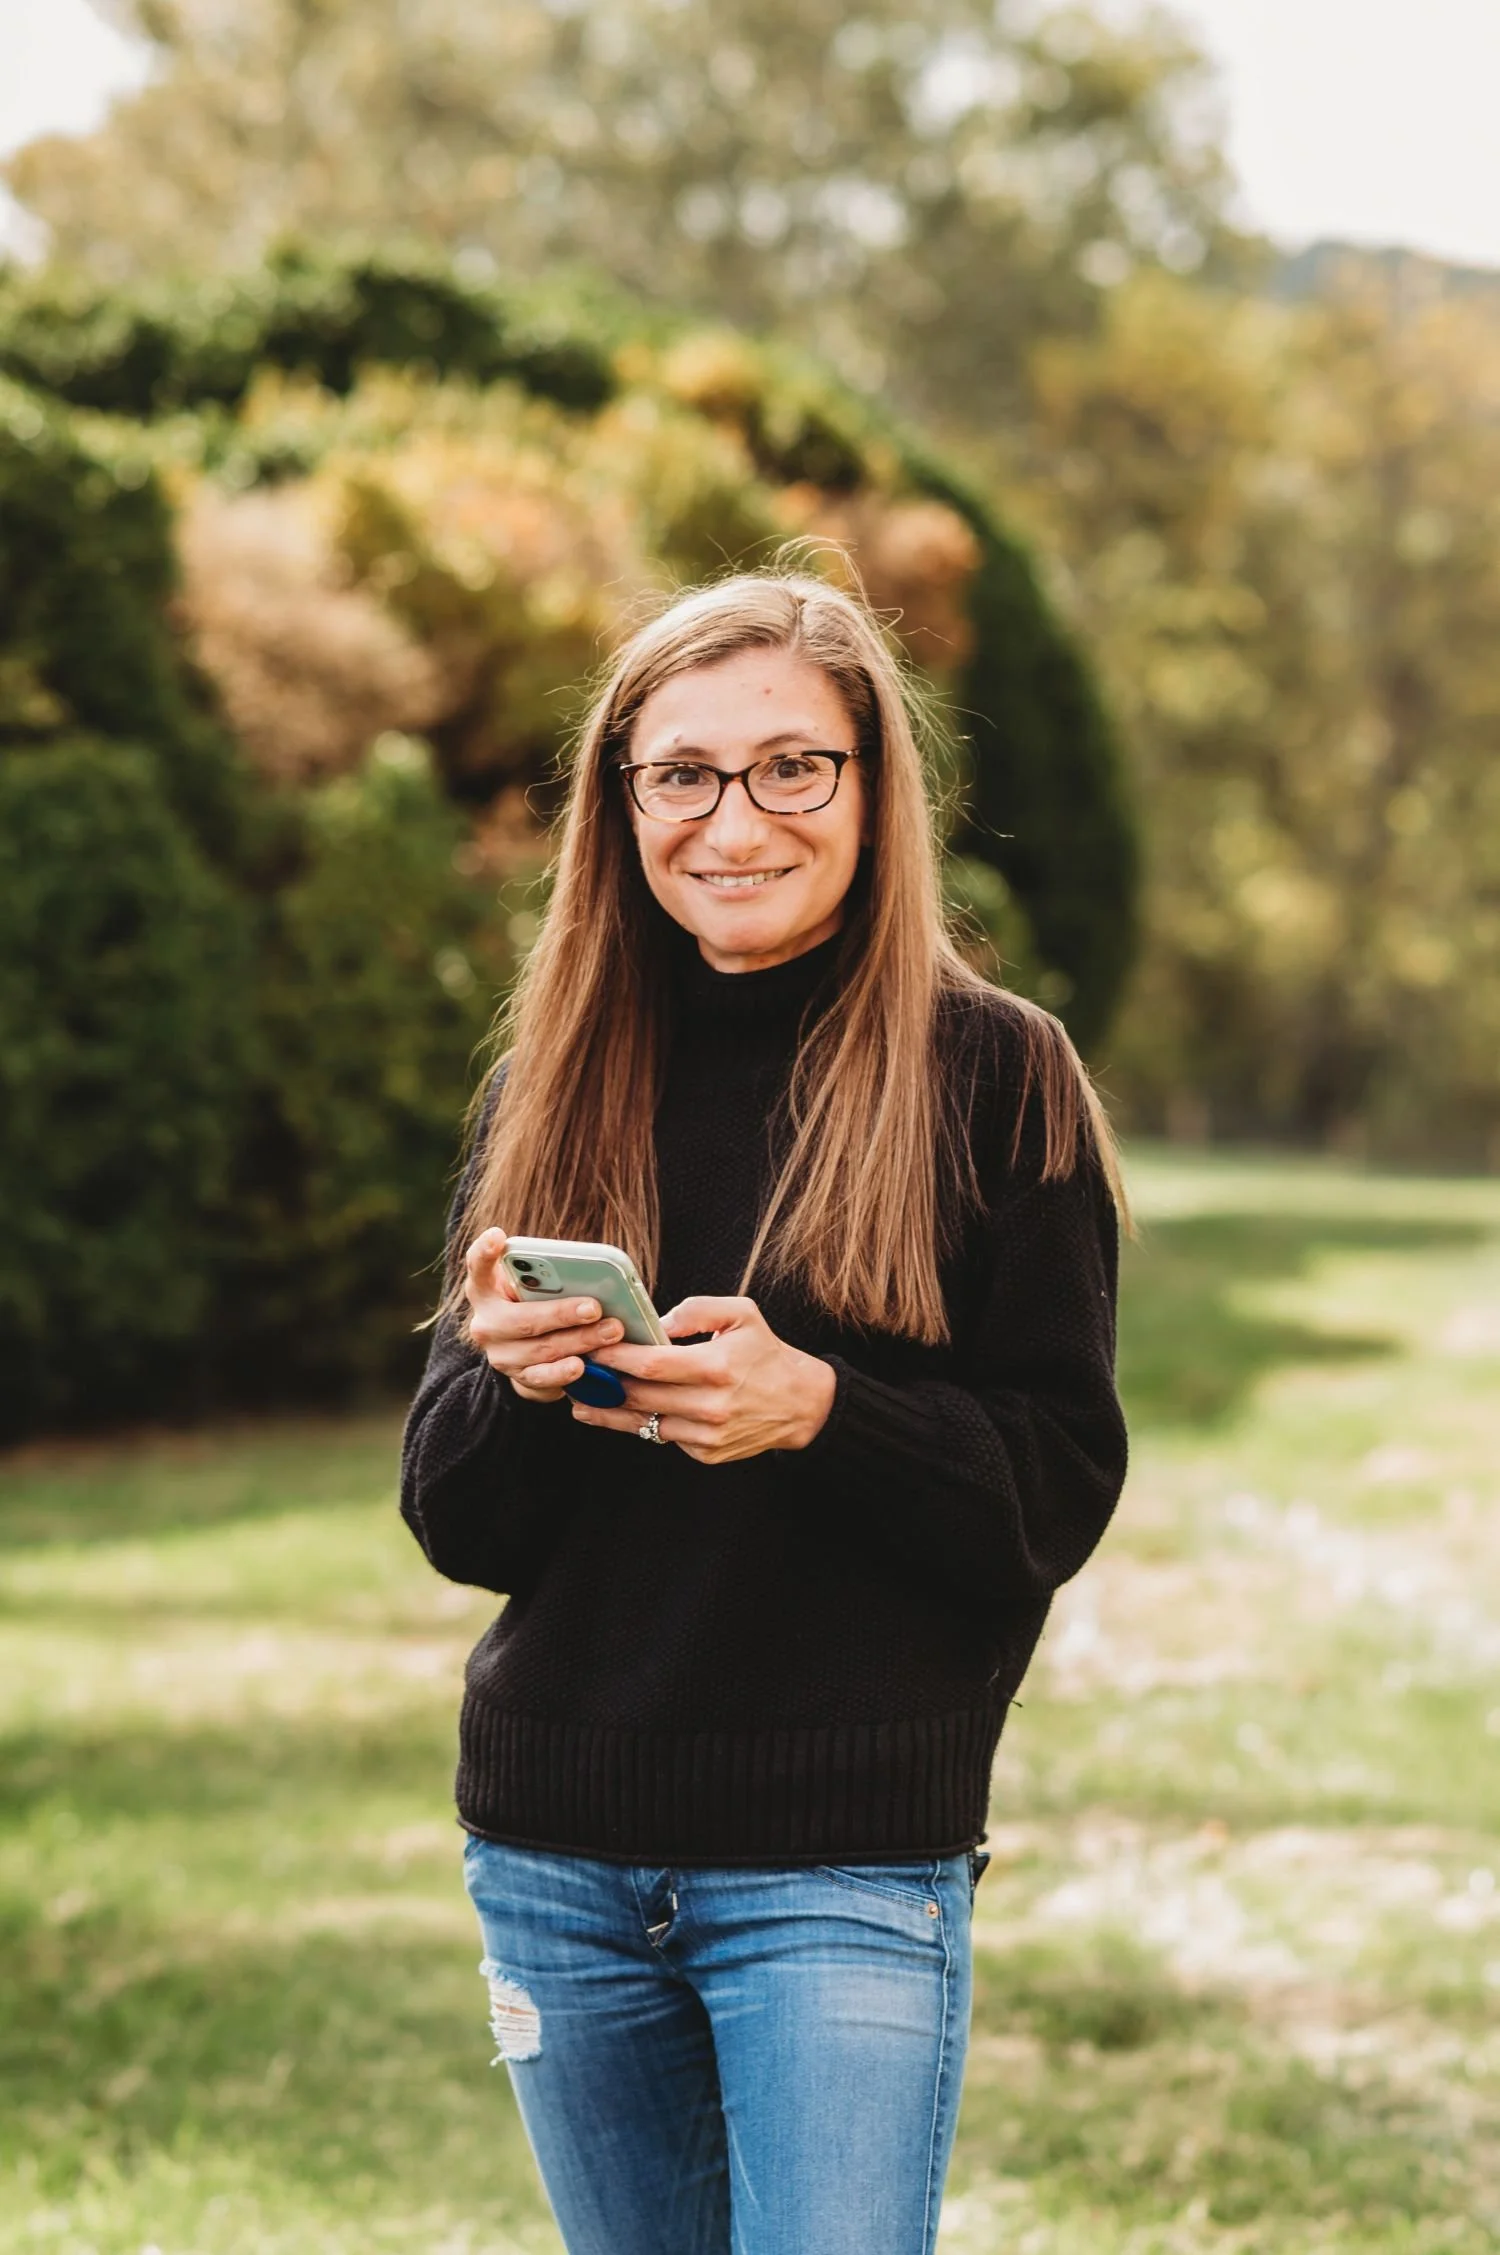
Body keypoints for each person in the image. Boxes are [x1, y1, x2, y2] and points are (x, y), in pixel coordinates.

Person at [400, 569, 1128, 2255]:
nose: (735, 818)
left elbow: (1055, 1494)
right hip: (557, 1856)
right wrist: (515, 1383)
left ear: (874, 789)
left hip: (842, 1870)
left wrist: (822, 1411)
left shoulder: (998, 1077)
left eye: (793, 766)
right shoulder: (554, 1075)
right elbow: (456, 1522)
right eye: (684, 775)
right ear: (622, 803)